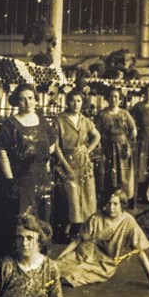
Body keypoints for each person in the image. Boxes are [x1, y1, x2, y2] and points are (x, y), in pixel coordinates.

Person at [55, 189, 149, 290]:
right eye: (108, 203)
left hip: (103, 263)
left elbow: (140, 252)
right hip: (82, 254)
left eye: (115, 204)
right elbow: (78, 241)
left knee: (73, 275)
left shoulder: (128, 222)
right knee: (56, 267)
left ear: (122, 204)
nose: (111, 208)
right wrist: (59, 258)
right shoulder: (95, 217)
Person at [0, 83, 57, 223]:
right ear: (17, 102)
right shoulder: (10, 124)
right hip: (20, 181)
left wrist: (44, 163)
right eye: (23, 99)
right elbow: (2, 153)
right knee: (24, 220)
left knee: (43, 219)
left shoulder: (42, 120)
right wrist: (10, 181)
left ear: (36, 99)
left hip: (42, 179)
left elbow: (52, 143)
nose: (28, 102)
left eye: (30, 98)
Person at [55, 89, 101, 232]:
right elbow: (55, 145)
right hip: (67, 160)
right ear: (67, 102)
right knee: (71, 194)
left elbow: (97, 136)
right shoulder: (59, 120)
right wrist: (64, 163)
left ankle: (85, 225)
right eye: (73, 100)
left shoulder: (85, 120)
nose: (76, 104)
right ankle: (71, 226)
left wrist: (87, 150)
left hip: (83, 160)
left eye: (79, 101)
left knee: (87, 192)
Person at [95, 87, 137, 200]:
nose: (113, 99)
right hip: (107, 146)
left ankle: (123, 198)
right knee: (108, 172)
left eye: (116, 97)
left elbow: (134, 131)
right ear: (107, 99)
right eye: (111, 97)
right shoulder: (102, 114)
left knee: (123, 172)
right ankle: (108, 197)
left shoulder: (125, 114)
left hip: (122, 147)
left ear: (119, 100)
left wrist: (125, 141)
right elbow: (96, 132)